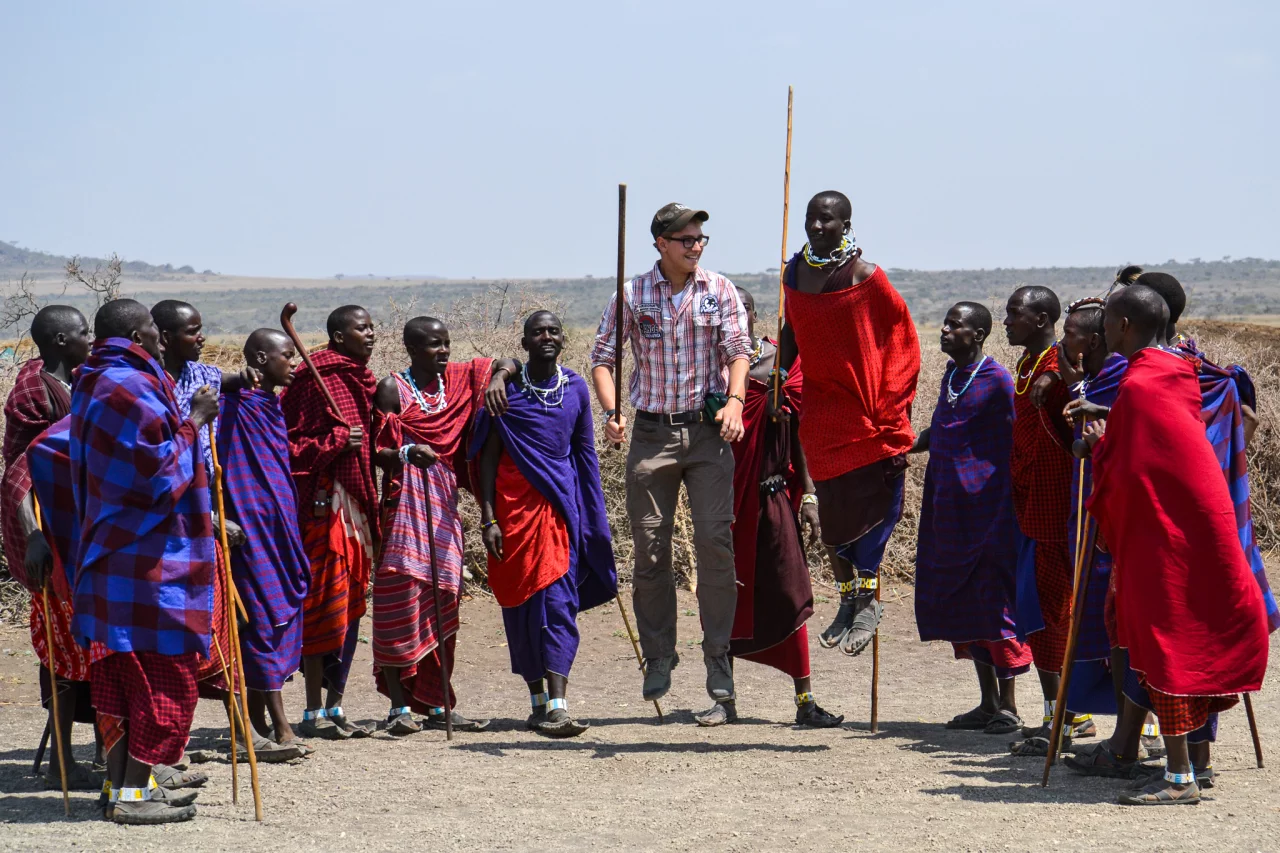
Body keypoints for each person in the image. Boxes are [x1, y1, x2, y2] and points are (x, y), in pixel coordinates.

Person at [1067, 269, 1278, 787]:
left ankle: (1180, 779)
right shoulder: (1179, 371)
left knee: (1167, 640)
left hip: (1169, 539)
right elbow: (1161, 441)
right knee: (1168, 635)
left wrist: (1096, 444)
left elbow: (1135, 470)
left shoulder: (1139, 382)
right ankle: (1187, 765)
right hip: (1197, 531)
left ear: (1121, 325)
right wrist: (1110, 420)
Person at [588, 202, 751, 722]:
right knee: (651, 551)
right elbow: (602, 357)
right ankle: (659, 656)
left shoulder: (720, 290)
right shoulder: (632, 294)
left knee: (713, 544)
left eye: (701, 238)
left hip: (707, 436)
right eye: (686, 239)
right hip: (651, 434)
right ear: (661, 242)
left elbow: (739, 351)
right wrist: (612, 413)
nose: (696, 246)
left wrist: (735, 401)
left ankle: (719, 660)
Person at [70, 298, 218, 824]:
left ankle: (122, 789)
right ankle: (135, 797)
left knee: (120, 678)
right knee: (163, 677)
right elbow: (155, 474)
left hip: (110, 552)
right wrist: (196, 420)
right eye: (154, 329)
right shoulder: (128, 387)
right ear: (137, 334)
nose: (160, 336)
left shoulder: (93, 381)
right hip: (147, 559)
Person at [775, 190, 920, 660]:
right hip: (822, 411)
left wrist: (891, 403)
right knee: (834, 511)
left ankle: (867, 599)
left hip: (865, 410)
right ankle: (849, 600)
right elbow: (793, 331)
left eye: (827, 221)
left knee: (875, 505)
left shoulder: (864, 276)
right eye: (811, 220)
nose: (817, 228)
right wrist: (779, 376)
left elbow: (902, 336)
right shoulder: (793, 272)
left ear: (846, 222)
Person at [473, 311, 618, 736]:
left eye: (554, 331)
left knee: (559, 604)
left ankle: (558, 704)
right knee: (520, 608)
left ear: (563, 340)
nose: (547, 337)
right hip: (512, 516)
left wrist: (592, 516)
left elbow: (584, 455)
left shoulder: (575, 388)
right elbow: (487, 457)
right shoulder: (505, 392)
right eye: (538, 332)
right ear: (524, 343)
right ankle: (537, 699)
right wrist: (488, 519)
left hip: (559, 511)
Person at [372, 316, 507, 733]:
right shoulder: (391, 388)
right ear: (412, 349)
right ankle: (399, 708)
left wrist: (500, 377)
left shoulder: (458, 380)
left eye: (447, 343)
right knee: (400, 604)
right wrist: (409, 450)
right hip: (403, 507)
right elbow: (378, 450)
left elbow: (508, 361)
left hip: (443, 503)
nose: (444, 351)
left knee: (443, 602)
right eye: (434, 345)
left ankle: (436, 703)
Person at [910, 302, 1032, 734]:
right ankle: (986, 702)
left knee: (995, 601)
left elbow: (1013, 443)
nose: (944, 330)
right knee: (966, 603)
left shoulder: (998, 381)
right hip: (950, 507)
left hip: (991, 510)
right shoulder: (952, 377)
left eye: (955, 325)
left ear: (978, 334)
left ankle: (1010, 707)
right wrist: (903, 444)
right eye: (944, 323)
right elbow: (944, 428)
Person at [723, 288, 841, 728]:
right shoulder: (707, 367)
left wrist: (809, 495)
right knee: (724, 595)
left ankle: (805, 699)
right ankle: (724, 698)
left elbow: (803, 436)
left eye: (743, 311)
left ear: (753, 315)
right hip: (721, 500)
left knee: (790, 590)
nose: (737, 317)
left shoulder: (779, 363)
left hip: (771, 495)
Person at [150, 299, 259, 732]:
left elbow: (232, 381)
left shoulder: (202, 376)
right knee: (168, 637)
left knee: (223, 622)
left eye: (201, 328)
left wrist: (249, 376)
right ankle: (164, 740)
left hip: (202, 512)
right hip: (161, 523)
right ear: (163, 336)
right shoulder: (147, 386)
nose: (201, 337)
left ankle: (243, 729)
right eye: (192, 331)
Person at [2, 306, 97, 790]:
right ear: (61, 340)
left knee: (101, 641)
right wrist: (35, 534)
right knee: (61, 648)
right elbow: (21, 469)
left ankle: (109, 746)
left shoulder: (80, 381)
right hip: (48, 529)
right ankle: (63, 755)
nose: (91, 339)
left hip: (82, 525)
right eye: (84, 333)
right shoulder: (33, 393)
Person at [1002, 285, 1093, 756]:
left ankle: (1066, 716)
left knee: (1054, 609)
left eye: (1014, 314)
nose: (1006, 323)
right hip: (1030, 501)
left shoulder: (1057, 373)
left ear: (1040, 320)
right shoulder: (1029, 368)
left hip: (1057, 509)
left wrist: (1059, 370)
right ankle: (1060, 711)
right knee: (1038, 608)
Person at [281, 304, 379, 739]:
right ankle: (310, 711)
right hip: (322, 508)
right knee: (323, 607)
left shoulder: (358, 380)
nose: (372, 335)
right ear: (339, 337)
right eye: (362, 329)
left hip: (354, 506)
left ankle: (335, 707)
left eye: (374, 327)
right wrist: (334, 441)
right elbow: (286, 446)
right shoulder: (309, 380)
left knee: (351, 607)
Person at [217, 329, 311, 754]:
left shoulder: (269, 405)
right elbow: (224, 471)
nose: (293, 363)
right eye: (286, 356)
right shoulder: (229, 408)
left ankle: (256, 722)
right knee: (259, 619)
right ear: (259, 358)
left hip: (278, 528)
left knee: (270, 616)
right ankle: (280, 723)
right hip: (247, 532)